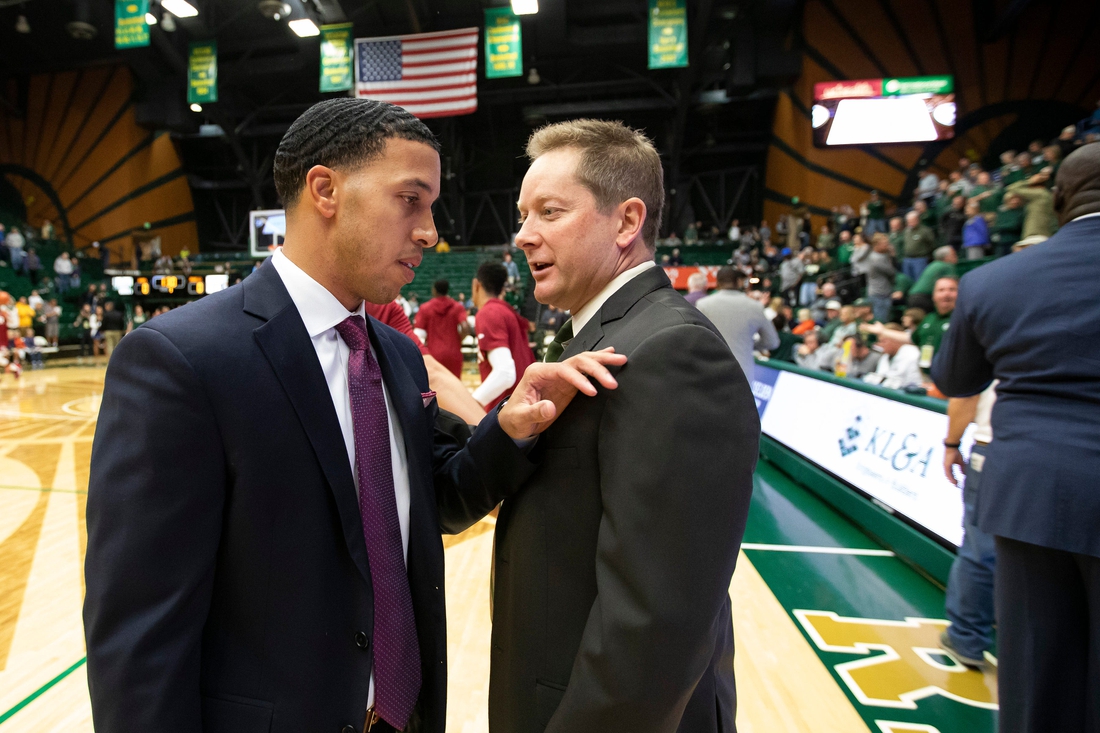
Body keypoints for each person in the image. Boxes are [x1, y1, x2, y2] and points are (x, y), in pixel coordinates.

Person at [84, 98, 625, 733]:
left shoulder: (393, 352)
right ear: (325, 189)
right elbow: (140, 634)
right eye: (410, 200)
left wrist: (506, 430)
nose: (429, 230)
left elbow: (433, 502)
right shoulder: (182, 359)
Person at [494, 118, 758, 733]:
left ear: (627, 221)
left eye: (549, 213)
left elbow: (655, 623)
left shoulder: (672, 350)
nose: (523, 235)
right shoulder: (602, 331)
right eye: (523, 215)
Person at [931, 144, 1100, 733]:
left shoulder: (994, 280)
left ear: (1056, 200)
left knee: (1035, 686)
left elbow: (955, 379)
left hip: (1030, 491)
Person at [938, 384, 998, 669]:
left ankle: (967, 638)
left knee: (981, 547)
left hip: (1004, 444)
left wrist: (951, 443)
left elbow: (968, 393)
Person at [697, 266, 780, 382]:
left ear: (717, 282)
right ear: (739, 282)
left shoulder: (703, 305)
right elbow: (772, 342)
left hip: (711, 371)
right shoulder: (755, 306)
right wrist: (748, 343)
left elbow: (696, 340)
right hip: (743, 374)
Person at [471, 262, 535, 411]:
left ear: (476, 285)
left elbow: (505, 372)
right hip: (522, 405)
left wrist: (472, 405)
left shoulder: (489, 312)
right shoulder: (506, 311)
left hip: (503, 412)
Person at [414, 279, 467, 378]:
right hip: (453, 353)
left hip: (433, 354)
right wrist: (460, 339)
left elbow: (418, 333)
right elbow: (465, 327)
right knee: (454, 386)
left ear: (434, 290)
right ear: (447, 290)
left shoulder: (425, 308)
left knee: (434, 387)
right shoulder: (457, 307)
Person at [863, 324, 922, 389]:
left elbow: (915, 384)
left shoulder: (912, 354)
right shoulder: (885, 357)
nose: (880, 345)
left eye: (883, 341)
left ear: (895, 340)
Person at [1006, 172, 1059, 239]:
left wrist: (1029, 181)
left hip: (1036, 234)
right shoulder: (1044, 195)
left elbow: (1011, 188)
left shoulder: (1040, 193)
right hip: (1042, 234)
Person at [907, 246, 958, 313]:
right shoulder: (947, 266)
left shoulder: (932, 264)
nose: (956, 257)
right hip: (925, 298)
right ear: (946, 257)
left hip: (912, 296)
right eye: (953, 255)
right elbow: (954, 283)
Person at [866, 233, 897, 323]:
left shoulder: (882, 256)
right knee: (881, 322)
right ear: (877, 245)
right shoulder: (875, 259)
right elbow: (891, 272)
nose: (888, 245)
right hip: (879, 294)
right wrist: (892, 255)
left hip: (884, 292)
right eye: (885, 243)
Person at [901, 210, 936, 280]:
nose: (909, 223)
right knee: (907, 279)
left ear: (917, 220)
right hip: (907, 259)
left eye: (911, 221)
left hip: (920, 259)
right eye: (908, 221)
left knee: (919, 279)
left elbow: (932, 244)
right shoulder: (906, 231)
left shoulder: (925, 231)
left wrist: (928, 255)